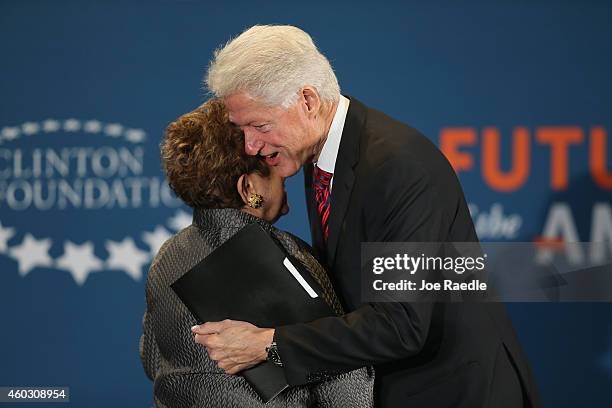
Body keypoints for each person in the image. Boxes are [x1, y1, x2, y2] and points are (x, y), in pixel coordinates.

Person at [192, 25, 540, 407]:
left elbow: (401, 324)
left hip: (458, 391)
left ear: (307, 100)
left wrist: (269, 344)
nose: (251, 146)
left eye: (259, 126)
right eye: (242, 129)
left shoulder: (397, 166)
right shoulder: (316, 155)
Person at [139, 99, 373, 407]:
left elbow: (152, 358)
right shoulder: (287, 257)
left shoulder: (167, 257)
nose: (286, 172)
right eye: (272, 161)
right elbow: (345, 383)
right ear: (248, 188)